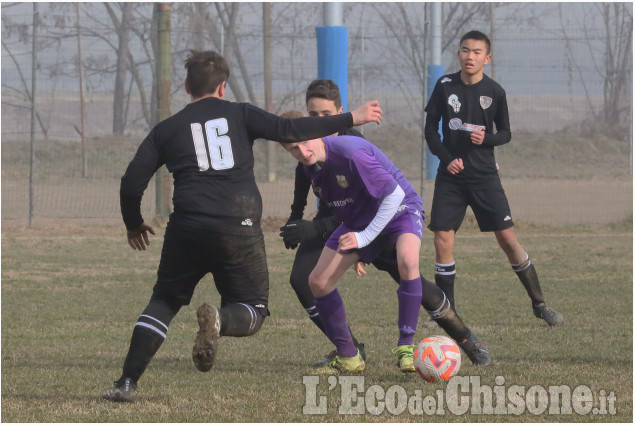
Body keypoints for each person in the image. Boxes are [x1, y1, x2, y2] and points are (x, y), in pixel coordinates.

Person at [102, 50, 383, 403]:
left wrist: (133, 223)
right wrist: (350, 116)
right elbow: (288, 128)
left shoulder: (167, 129)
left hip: (187, 226)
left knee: (164, 301)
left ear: (187, 86)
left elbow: (131, 182)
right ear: (223, 87)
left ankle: (127, 382)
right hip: (241, 224)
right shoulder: (240, 113)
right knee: (253, 308)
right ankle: (220, 319)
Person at [281, 134, 492, 374]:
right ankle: (349, 356)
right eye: (292, 149)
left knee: (408, 262)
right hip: (361, 220)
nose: (301, 151)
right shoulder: (310, 167)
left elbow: (394, 195)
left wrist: (364, 239)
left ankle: (407, 348)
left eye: (305, 142)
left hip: (399, 211)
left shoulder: (351, 151)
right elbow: (347, 206)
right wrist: (362, 249)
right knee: (317, 281)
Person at [424, 30, 563, 327]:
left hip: (485, 176)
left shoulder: (495, 92)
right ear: (459, 54)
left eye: (476, 52)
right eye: (464, 50)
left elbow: (506, 133)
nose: (469, 56)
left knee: (508, 239)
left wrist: (487, 138)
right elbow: (429, 130)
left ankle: (539, 304)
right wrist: (447, 160)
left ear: (486, 58)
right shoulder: (444, 85)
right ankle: (445, 314)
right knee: (442, 239)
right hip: (451, 178)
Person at [278, 80, 367, 367]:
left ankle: (464, 337)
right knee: (301, 279)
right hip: (331, 220)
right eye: (312, 116)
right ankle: (349, 348)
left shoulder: (354, 147)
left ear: (341, 112)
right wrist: (294, 218)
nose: (317, 122)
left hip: (372, 220)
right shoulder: (308, 147)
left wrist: (315, 229)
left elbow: (359, 207)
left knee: (407, 274)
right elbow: (303, 173)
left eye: (326, 115)